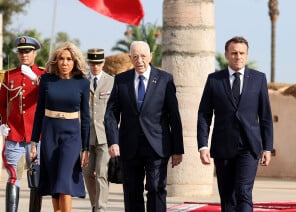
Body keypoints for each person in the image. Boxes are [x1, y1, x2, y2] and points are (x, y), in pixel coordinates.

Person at [104, 40, 184, 212]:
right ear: (130, 58)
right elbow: (111, 114)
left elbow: (174, 117)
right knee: (132, 191)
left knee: (156, 187)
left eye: (142, 56)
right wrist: (113, 141)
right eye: (135, 57)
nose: (139, 60)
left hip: (157, 145)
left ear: (150, 57)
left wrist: (178, 148)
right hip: (129, 145)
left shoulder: (165, 80)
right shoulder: (121, 80)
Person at [197, 36, 274, 212]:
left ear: (246, 55)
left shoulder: (258, 79)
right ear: (226, 55)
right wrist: (203, 146)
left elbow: (265, 116)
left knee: (243, 192)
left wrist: (267, 147)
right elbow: (204, 115)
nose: (238, 56)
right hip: (223, 147)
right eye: (234, 53)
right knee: (227, 197)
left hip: (250, 147)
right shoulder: (214, 80)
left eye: (241, 53)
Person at [30, 42, 90, 212]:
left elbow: (86, 117)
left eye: (69, 59)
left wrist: (85, 147)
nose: (65, 62)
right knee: (54, 183)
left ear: (75, 61)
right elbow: (39, 111)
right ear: (56, 61)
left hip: (72, 136)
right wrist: (34, 141)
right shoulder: (47, 80)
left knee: (63, 182)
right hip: (50, 134)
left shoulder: (82, 83)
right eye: (61, 59)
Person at [0, 35, 45, 212]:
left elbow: (50, 99)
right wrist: (3, 123)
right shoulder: (10, 75)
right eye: (21, 51)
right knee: (13, 178)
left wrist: (39, 80)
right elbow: (2, 104)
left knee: (36, 179)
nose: (24, 54)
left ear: (35, 53)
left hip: (36, 137)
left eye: (28, 51)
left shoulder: (43, 74)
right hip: (15, 136)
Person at [83, 49, 114, 212]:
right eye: (92, 63)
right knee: (88, 173)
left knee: (102, 173)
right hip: (87, 136)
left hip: (105, 135)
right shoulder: (81, 81)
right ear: (89, 63)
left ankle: (100, 208)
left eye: (98, 63)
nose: (95, 66)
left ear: (103, 63)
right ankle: (95, 205)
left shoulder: (111, 82)